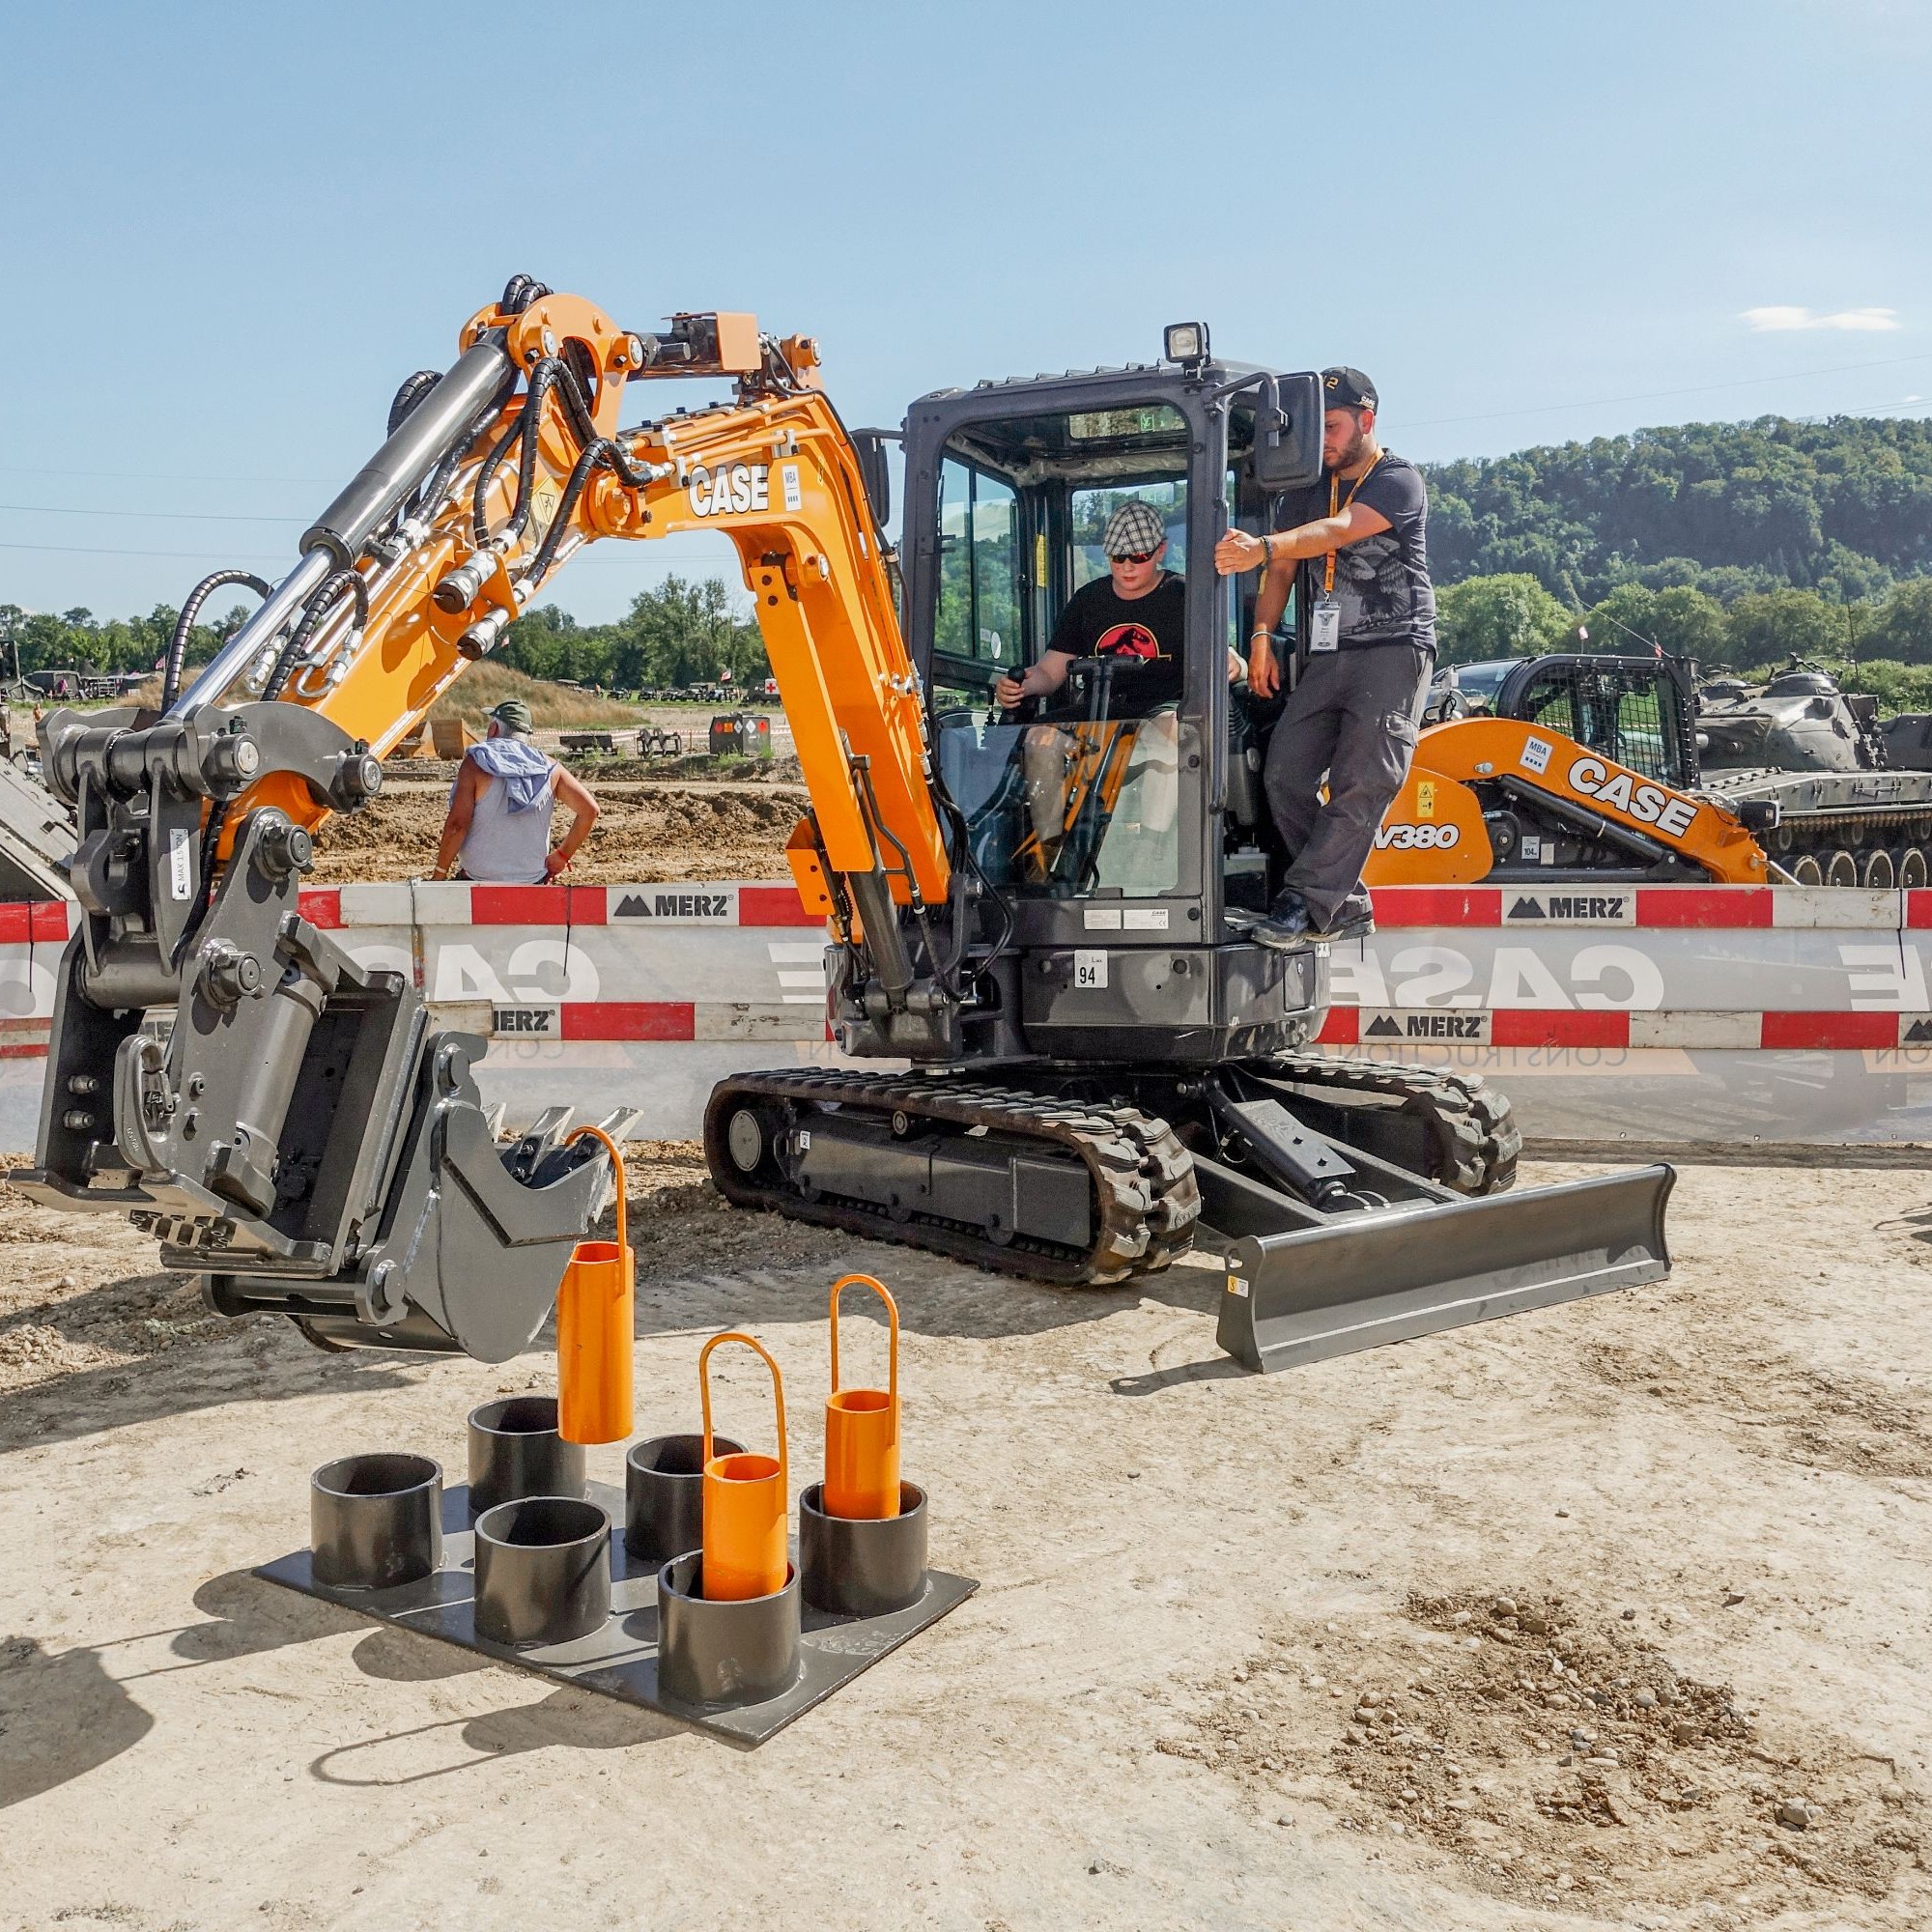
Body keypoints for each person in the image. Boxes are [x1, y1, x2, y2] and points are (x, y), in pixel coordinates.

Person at [1213, 366, 1436, 947]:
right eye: (1318, 430)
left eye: (1333, 428)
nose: (1324, 442)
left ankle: (1304, 902)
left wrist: (1260, 545)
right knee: (1283, 772)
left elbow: (1338, 531)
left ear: (1367, 420)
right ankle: (1343, 901)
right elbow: (1281, 573)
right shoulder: (1304, 490)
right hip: (1326, 652)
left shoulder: (1400, 479)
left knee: (1362, 782)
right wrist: (1262, 637)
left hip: (1394, 648)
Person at [994, 499, 1237, 845]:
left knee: (1171, 727)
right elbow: (1051, 671)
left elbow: (1228, 657)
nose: (1126, 567)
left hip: (1160, 707)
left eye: (1138, 557)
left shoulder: (1184, 595)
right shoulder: (1088, 600)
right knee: (1039, 739)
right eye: (1116, 557)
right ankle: (1051, 854)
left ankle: (1150, 848)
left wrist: (1234, 663)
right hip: (1100, 712)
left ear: (1160, 552)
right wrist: (1020, 685)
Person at [429, 698, 600, 883]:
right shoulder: (551, 768)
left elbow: (457, 825)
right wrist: (562, 855)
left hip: (478, 881)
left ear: (494, 729)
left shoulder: (476, 763)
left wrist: (439, 873)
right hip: (532, 882)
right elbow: (590, 811)